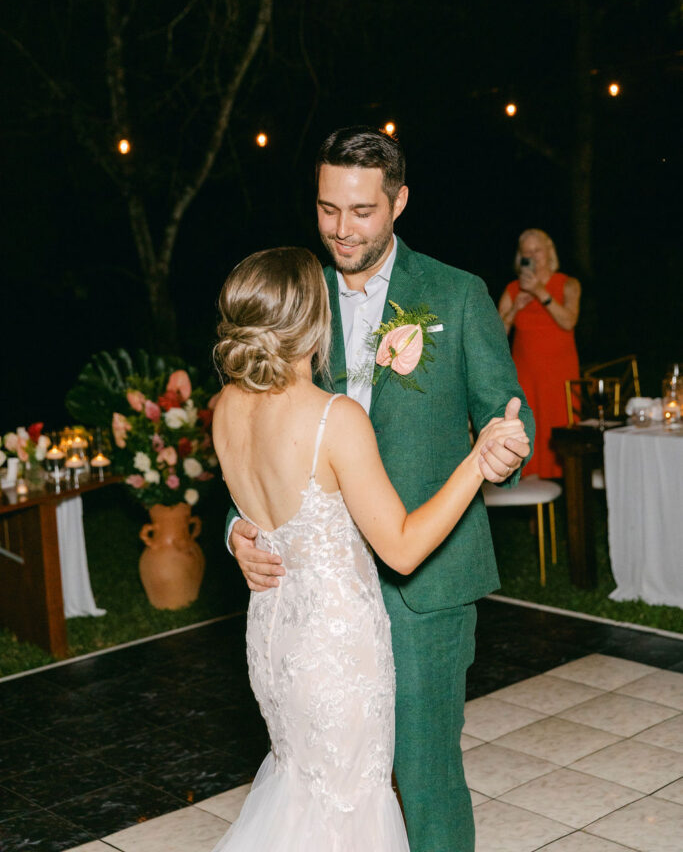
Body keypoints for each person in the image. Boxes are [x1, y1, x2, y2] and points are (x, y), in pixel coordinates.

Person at [229, 126, 534, 852]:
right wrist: (240, 527)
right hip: (320, 595)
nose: (341, 228)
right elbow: (254, 425)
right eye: (327, 208)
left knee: (426, 778)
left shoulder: (456, 296)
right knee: (332, 783)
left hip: (422, 581)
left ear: (398, 201)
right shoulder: (296, 296)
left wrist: (505, 447)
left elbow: (505, 413)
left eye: (361, 211)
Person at [498, 228, 580, 478]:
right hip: (526, 377)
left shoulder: (567, 283)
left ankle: (569, 494)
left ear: (549, 252)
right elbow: (497, 334)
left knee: (562, 436)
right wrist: (514, 311)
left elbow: (569, 321)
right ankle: (536, 509)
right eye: (526, 252)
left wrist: (540, 293)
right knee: (530, 433)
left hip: (559, 377)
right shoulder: (513, 289)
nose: (532, 256)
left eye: (537, 250)